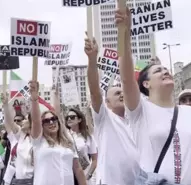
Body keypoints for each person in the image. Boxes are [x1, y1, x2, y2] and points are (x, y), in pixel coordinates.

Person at [115, 7, 191, 184]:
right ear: (146, 84)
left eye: (166, 69)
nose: (165, 71)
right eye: (158, 70)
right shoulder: (140, 110)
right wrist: (126, 32)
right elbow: (126, 78)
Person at [84, 38, 139, 185]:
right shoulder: (104, 118)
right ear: (106, 103)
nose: (122, 94)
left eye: (122, 92)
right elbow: (95, 91)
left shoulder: (135, 120)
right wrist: (92, 59)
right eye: (116, 93)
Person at [29, 81, 87, 185]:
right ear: (42, 125)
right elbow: (35, 120)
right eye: (46, 121)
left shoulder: (68, 142)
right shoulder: (39, 141)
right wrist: (34, 99)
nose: (51, 122)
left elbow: (78, 169)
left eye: (53, 119)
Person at [2, 93, 34, 184]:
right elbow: (9, 122)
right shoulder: (19, 135)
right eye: (15, 120)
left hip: (31, 180)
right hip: (12, 178)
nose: (18, 122)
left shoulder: (38, 139)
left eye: (21, 120)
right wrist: (5, 105)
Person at [65, 108, 98, 185]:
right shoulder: (65, 136)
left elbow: (94, 160)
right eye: (67, 117)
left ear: (79, 119)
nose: (69, 119)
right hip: (69, 175)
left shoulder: (88, 137)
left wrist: (88, 175)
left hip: (84, 173)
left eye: (72, 117)